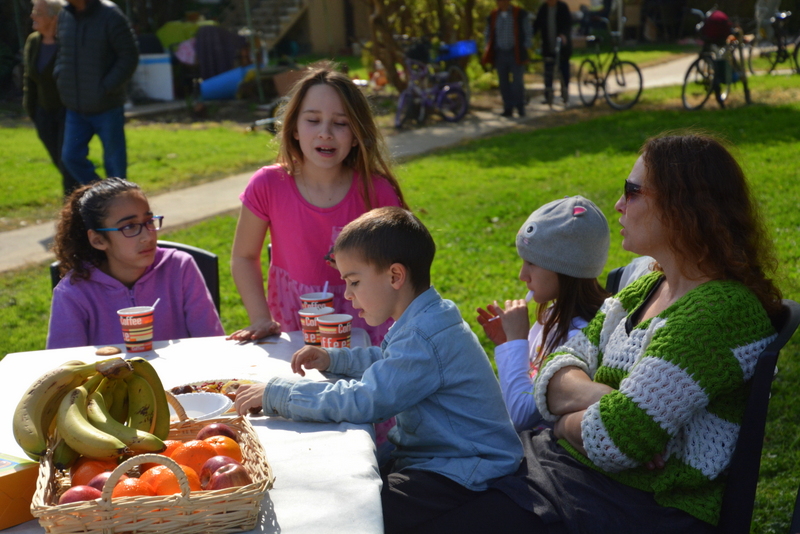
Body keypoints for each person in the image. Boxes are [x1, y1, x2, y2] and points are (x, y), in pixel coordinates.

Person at [409, 132, 783, 533]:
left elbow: (619, 440)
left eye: (633, 191)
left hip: (636, 505)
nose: (620, 204)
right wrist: (604, 401)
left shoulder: (720, 310)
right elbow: (558, 364)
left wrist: (559, 421)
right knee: (414, 489)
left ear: (682, 205)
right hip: (568, 476)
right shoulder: (648, 288)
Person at [235, 207, 523, 534]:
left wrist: (280, 395)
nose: (347, 294)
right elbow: (387, 360)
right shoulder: (426, 318)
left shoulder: (423, 337)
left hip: (467, 470)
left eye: (354, 281)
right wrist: (335, 360)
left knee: (362, 512)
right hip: (442, 460)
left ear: (395, 276)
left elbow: (367, 401)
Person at [228, 62, 407, 348]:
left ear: (358, 134)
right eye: (313, 120)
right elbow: (244, 257)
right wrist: (260, 317)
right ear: (295, 128)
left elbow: (402, 268)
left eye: (341, 123)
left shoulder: (377, 192)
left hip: (367, 327)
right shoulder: (267, 185)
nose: (326, 133)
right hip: (294, 325)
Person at [476, 196, 609, 432]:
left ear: (566, 267)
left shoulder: (581, 335)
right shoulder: (550, 316)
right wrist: (507, 343)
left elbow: (521, 415)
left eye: (531, 263)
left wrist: (517, 341)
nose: (522, 275)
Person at [47, 177, 224, 349]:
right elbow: (65, 365)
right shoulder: (73, 291)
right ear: (98, 240)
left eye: (148, 221)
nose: (147, 237)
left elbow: (212, 345)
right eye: (129, 227)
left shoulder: (179, 267)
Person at [55, 0, 138, 184]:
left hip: (106, 106)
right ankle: (103, 197)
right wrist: (59, 75)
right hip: (75, 108)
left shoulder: (111, 15)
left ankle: (116, 202)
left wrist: (106, 87)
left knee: (115, 166)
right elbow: (62, 51)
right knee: (70, 158)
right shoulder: (65, 16)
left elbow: (129, 56)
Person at [23, 0, 79, 197]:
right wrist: (31, 110)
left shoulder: (68, 41)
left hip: (68, 111)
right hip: (43, 113)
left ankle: (72, 205)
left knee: (67, 160)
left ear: (54, 18)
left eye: (38, 12)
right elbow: (29, 78)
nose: (32, 16)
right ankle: (83, 197)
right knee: (59, 160)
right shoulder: (33, 41)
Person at [482, 0, 532, 118]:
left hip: (515, 52)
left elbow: (528, 30)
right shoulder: (494, 15)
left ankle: (520, 106)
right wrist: (487, 47)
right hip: (500, 53)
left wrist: (526, 45)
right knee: (503, 82)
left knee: (517, 82)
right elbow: (488, 33)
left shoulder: (519, 13)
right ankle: (508, 107)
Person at [533, 0, 573, 105]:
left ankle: (564, 92)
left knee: (563, 69)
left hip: (561, 47)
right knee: (548, 71)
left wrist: (563, 34)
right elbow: (536, 25)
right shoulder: (543, 8)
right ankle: (548, 95)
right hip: (548, 46)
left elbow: (568, 24)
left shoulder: (563, 7)